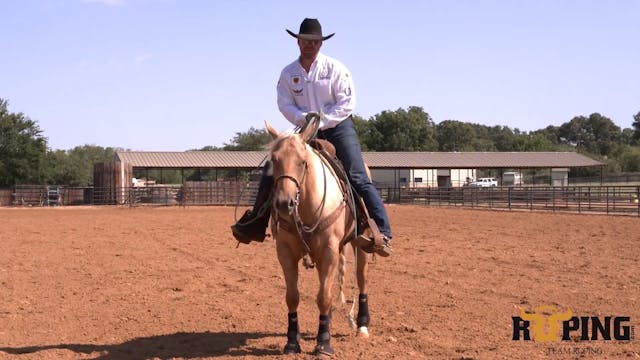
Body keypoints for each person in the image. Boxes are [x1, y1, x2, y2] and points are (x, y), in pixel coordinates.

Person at [231, 18, 392, 256]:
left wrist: (321, 120)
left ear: (320, 43)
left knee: (357, 174)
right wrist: (304, 119)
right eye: (306, 41)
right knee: (272, 167)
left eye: (315, 41)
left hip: (337, 127)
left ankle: (381, 231)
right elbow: (283, 103)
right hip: (303, 128)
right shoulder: (288, 73)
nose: (310, 45)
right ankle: (257, 221)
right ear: (298, 41)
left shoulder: (335, 68)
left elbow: (347, 103)